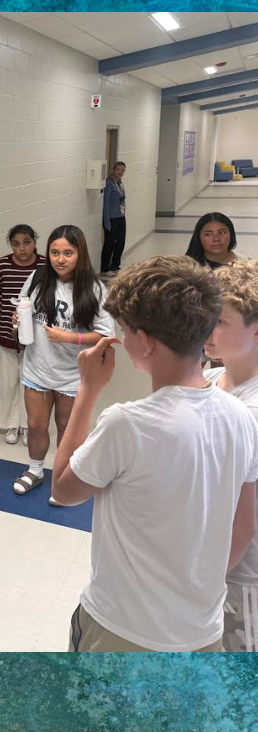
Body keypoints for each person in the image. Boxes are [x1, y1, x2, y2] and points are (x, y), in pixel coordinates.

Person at [51, 256, 258, 652]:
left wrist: (88, 390)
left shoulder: (126, 424)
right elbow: (244, 527)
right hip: (201, 632)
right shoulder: (240, 415)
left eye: (125, 330)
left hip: (121, 630)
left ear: (144, 341)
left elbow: (63, 489)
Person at [12, 225, 114, 499]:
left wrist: (70, 338)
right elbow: (23, 306)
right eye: (55, 252)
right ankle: (35, 470)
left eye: (68, 252)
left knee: (66, 430)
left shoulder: (94, 288)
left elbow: (106, 335)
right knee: (35, 426)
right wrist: (18, 318)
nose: (60, 259)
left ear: (80, 253)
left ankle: (63, 479)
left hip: (71, 374)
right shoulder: (38, 278)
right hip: (37, 369)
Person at [203, 260, 258, 652]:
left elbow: (245, 519)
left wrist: (208, 577)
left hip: (239, 575)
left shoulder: (252, 411)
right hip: (206, 560)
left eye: (220, 321)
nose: (206, 328)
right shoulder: (208, 378)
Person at [0, 224, 46, 446]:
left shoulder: (44, 266)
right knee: (7, 381)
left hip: (35, 336)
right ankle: (10, 424)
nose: (22, 248)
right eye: (16, 244)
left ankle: (27, 425)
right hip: (6, 333)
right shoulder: (2, 266)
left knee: (31, 383)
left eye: (26, 242)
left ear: (34, 242)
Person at [101, 161, 127, 276]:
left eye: (122, 170)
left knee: (120, 242)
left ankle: (115, 265)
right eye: (118, 169)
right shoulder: (109, 183)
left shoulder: (120, 183)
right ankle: (105, 268)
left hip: (121, 217)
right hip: (112, 218)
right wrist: (106, 222)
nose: (120, 172)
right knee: (109, 243)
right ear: (113, 170)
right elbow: (106, 204)